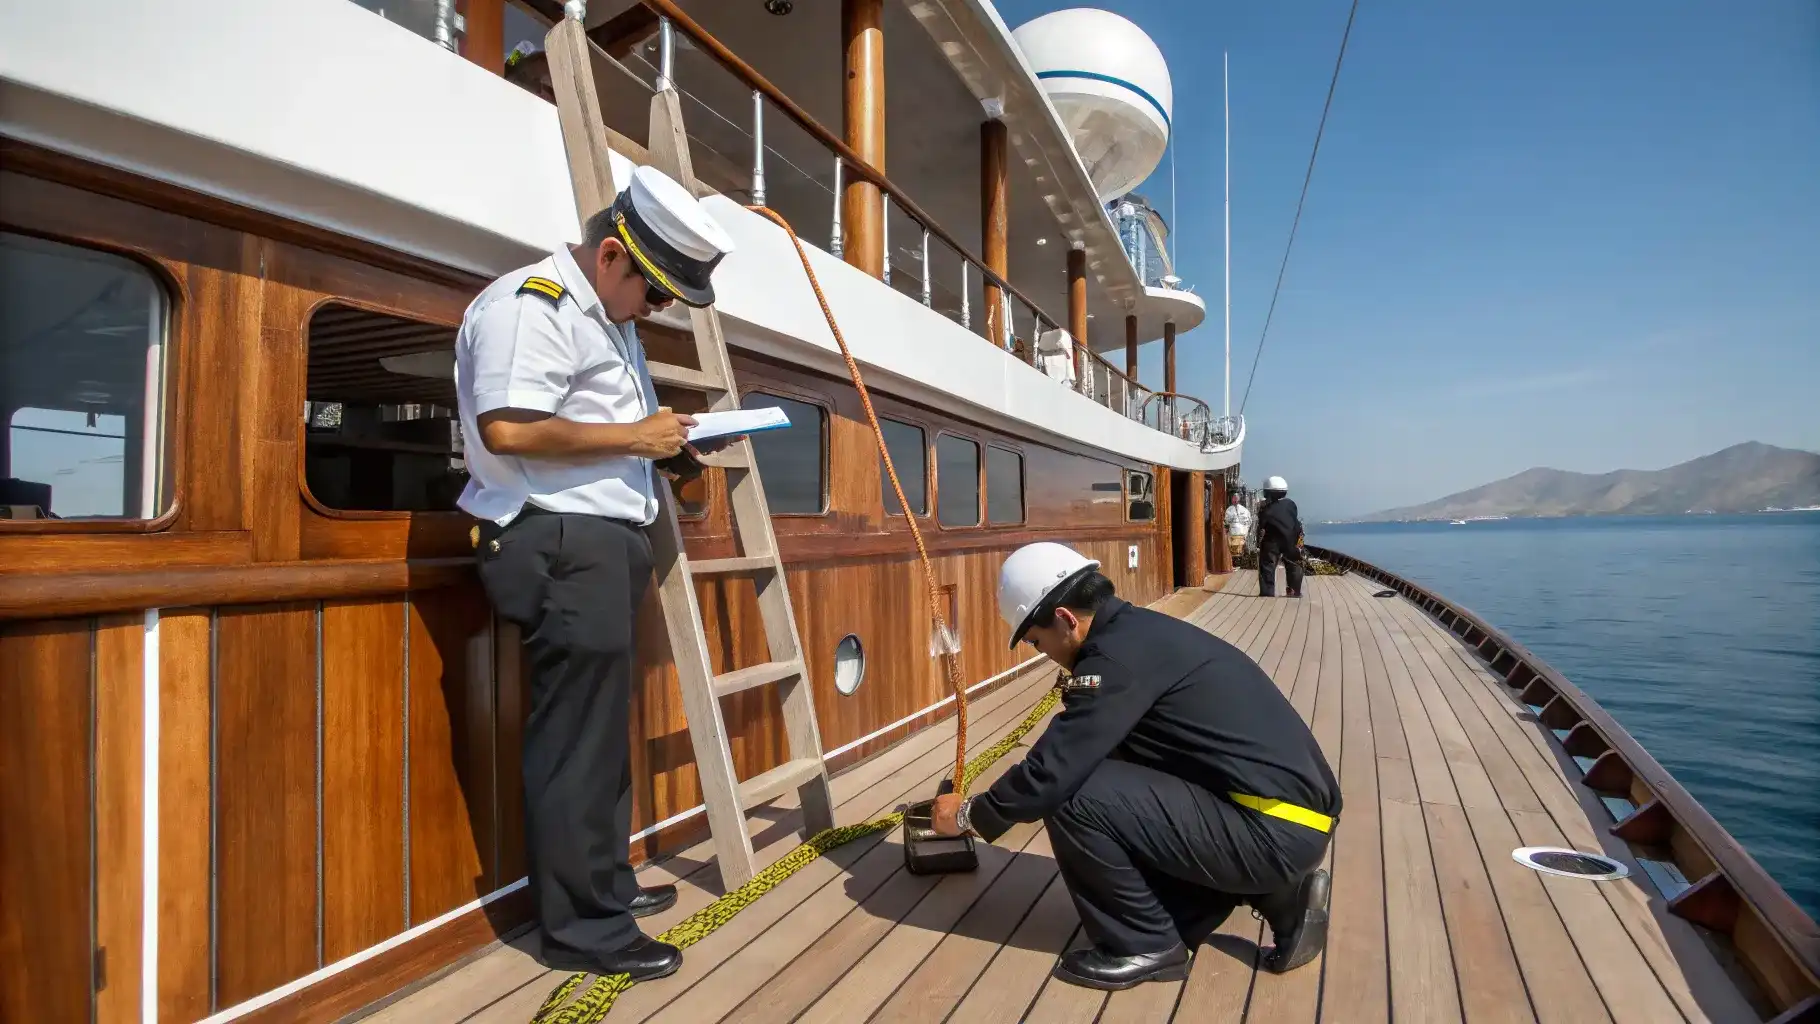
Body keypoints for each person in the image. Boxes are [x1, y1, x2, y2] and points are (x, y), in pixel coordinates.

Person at [455, 164, 741, 982]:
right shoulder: (530, 304)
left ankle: (604, 887)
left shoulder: (608, 321)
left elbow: (602, 426)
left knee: (597, 734)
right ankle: (584, 931)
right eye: (654, 296)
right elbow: (508, 427)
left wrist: (669, 445)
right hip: (557, 538)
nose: (656, 312)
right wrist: (635, 440)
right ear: (613, 254)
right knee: (576, 740)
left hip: (599, 538)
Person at [930, 542, 1339, 991]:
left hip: (1271, 831)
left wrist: (968, 815)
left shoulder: (1116, 659)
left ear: (1065, 619)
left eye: (1035, 640)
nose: (1040, 652)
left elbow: (1052, 772)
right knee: (1111, 759)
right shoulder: (1139, 633)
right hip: (1286, 818)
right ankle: (1281, 897)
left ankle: (1146, 943)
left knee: (1074, 795)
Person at [1256, 476, 1304, 598]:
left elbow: (1262, 525)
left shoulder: (1266, 510)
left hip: (1273, 541)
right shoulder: (1291, 504)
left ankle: (1267, 593)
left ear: (1268, 492)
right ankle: (1294, 591)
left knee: (1267, 564)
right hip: (1292, 538)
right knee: (1294, 562)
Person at [1222, 492, 1252, 564]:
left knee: (1235, 551)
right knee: (1238, 551)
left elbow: (1226, 522)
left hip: (1235, 534)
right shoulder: (1244, 510)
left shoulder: (1229, 509)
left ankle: (1236, 562)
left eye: (1234, 498)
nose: (1234, 500)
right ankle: (1239, 562)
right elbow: (1249, 521)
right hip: (1241, 534)